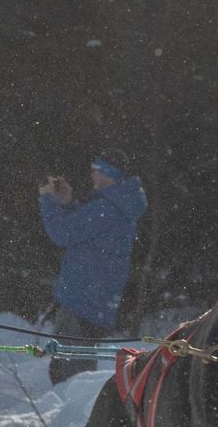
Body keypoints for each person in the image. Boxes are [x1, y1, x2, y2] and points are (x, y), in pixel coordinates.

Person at [37, 152, 148, 386]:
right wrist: (68, 203)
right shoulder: (117, 206)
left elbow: (62, 233)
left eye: (96, 168)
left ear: (110, 174)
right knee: (76, 366)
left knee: (70, 372)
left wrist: (48, 199)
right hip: (95, 298)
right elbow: (83, 233)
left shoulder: (107, 209)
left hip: (82, 298)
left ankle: (72, 419)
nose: (92, 173)